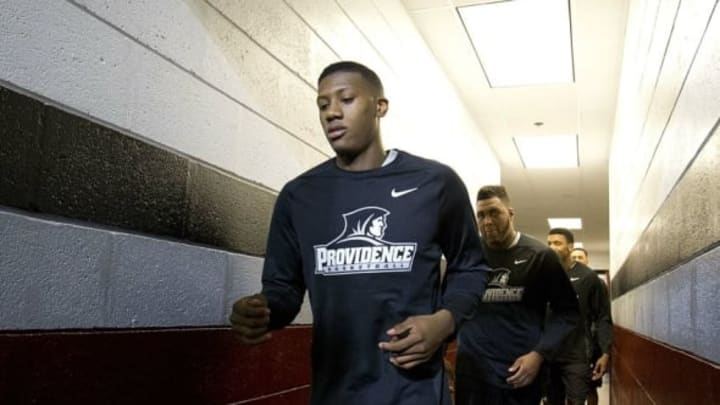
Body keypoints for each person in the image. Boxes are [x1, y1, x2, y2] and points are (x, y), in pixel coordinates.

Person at [229, 61, 491, 405]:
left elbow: (471, 266)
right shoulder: (298, 196)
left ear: (379, 106)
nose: (332, 113)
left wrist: (445, 321)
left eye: (346, 99)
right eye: (323, 105)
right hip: (336, 390)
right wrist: (262, 311)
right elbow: (284, 288)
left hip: (415, 391)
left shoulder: (435, 183)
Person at [455, 185, 579, 405]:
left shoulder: (540, 256)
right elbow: (451, 305)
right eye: (481, 215)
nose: (487, 221)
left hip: (520, 372)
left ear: (511, 214)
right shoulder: (468, 255)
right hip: (473, 373)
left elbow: (567, 313)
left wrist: (539, 355)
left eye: (494, 212)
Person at [546, 229, 613, 405]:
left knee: (577, 401)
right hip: (549, 354)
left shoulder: (589, 278)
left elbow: (602, 317)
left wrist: (605, 352)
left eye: (557, 243)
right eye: (549, 243)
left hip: (577, 355)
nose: (552, 247)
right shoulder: (543, 275)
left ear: (570, 246)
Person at [569, 246, 612, 405]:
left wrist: (604, 351)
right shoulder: (563, 282)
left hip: (590, 347)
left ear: (587, 260)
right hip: (567, 347)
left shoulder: (596, 283)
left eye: (580, 257)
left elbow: (603, 317)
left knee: (590, 389)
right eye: (574, 257)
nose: (576, 260)